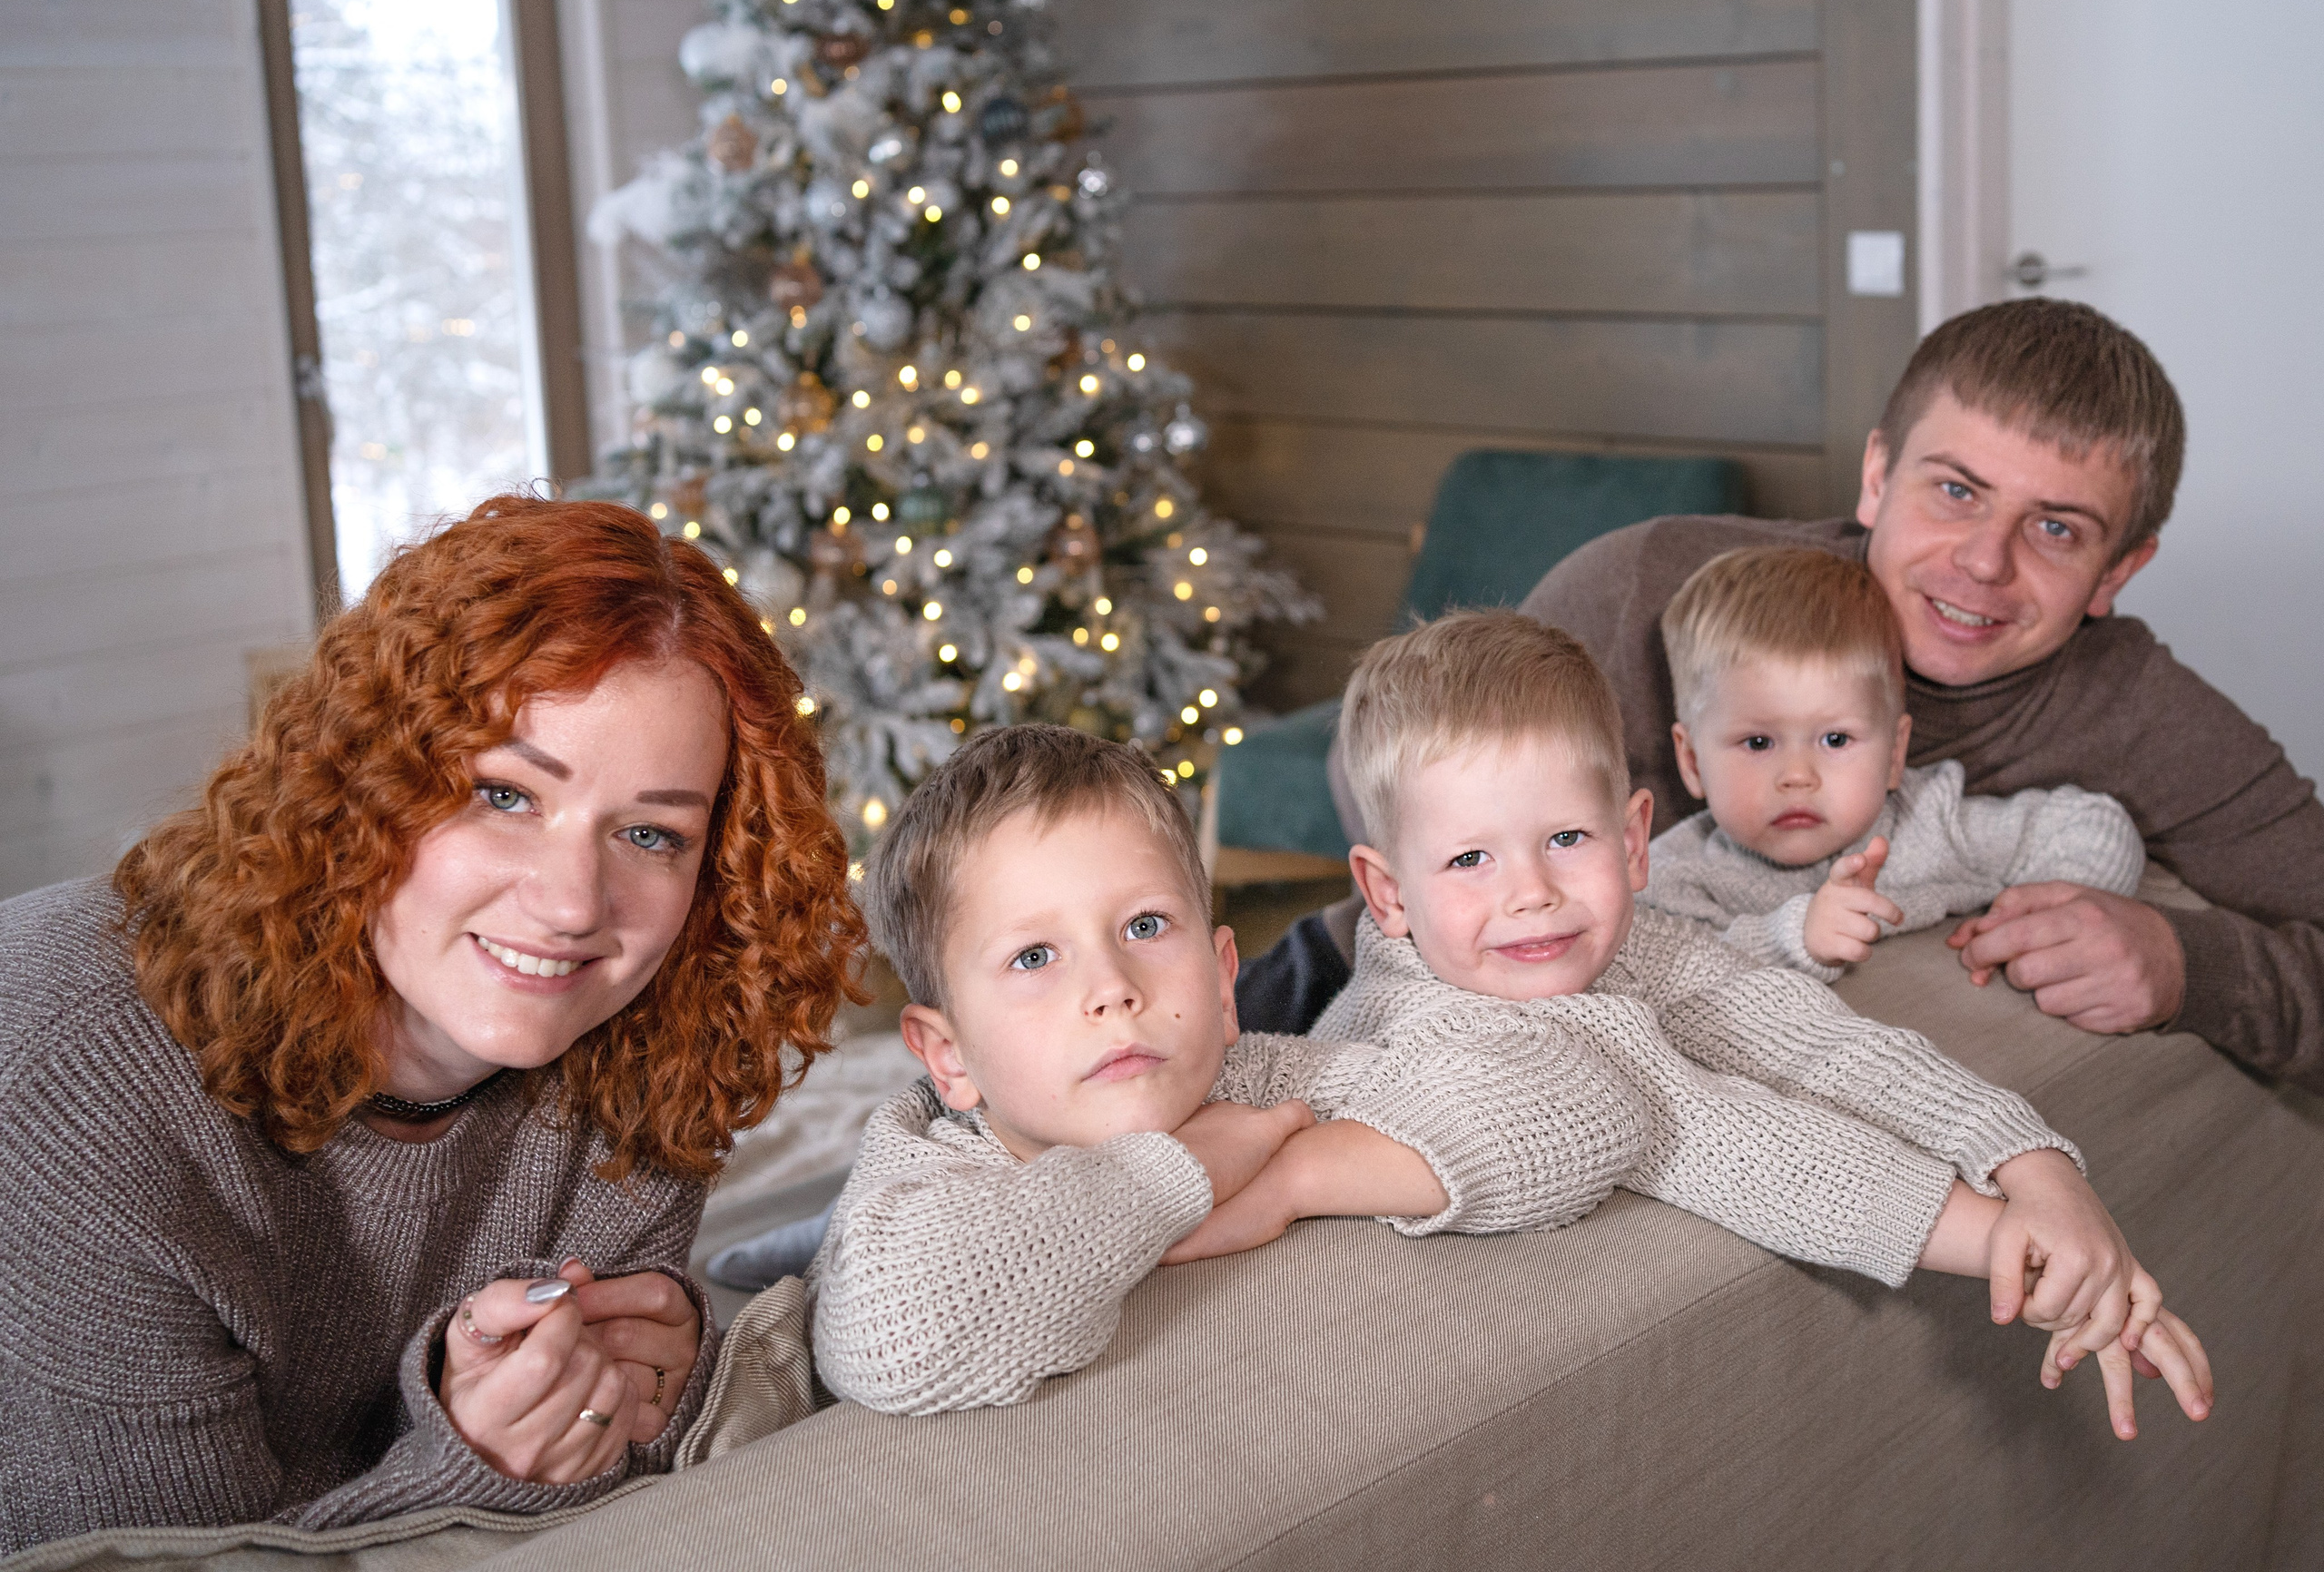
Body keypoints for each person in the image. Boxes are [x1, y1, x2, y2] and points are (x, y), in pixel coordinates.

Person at [0, 496, 862, 1550]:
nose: (572, 904)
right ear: (361, 783)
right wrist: (472, 1463)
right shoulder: (68, 1080)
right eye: (503, 795)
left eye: (650, 833)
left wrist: (641, 1397)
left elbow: (596, 1479)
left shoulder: (639, 1042)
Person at [1249, 299, 2324, 1093]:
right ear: (1874, 478)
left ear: (2118, 572)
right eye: (1955, 491)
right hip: (1363, 975)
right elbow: (1390, 785)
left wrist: (2188, 964)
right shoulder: (1647, 586)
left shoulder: (2142, 711)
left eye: (2055, 528)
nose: (1984, 564)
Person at [1315, 610, 2211, 1439]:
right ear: (1388, 893)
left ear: (1633, 843)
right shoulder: (1426, 1014)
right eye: (1470, 858)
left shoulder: (1631, 943)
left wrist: (2038, 1169)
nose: (1531, 891)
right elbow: (1724, 1140)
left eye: (1566, 839)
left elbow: (1822, 1045)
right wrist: (2006, 1244)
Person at [809, 723, 1649, 1415]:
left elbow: (1590, 1104)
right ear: (950, 1057)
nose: (1112, 989)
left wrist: (1294, 1178)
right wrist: (1186, 1174)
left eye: (1144, 926)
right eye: (1034, 956)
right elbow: (895, 1338)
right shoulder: (922, 1176)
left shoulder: (1264, 1093)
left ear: (1220, 981)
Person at [1640, 545, 2147, 980]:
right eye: (1757, 743)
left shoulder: (1932, 821)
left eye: (1835, 739)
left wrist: (2036, 923)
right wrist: (1795, 938)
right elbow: (1668, 979)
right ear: (1691, 761)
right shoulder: (1673, 878)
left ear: (1894, 753)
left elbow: (2097, 827)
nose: (1797, 776)